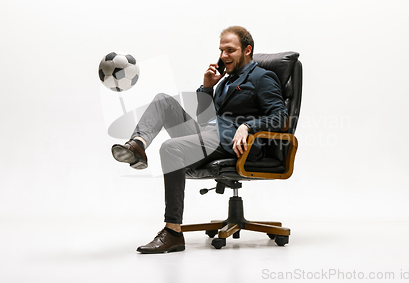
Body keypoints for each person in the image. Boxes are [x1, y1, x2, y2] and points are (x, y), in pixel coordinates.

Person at [111, 26, 288, 253]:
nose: (224, 56)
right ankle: (138, 145)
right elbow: (206, 118)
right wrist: (207, 87)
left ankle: (173, 232)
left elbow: (281, 117)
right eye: (221, 50)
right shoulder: (224, 81)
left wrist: (247, 126)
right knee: (163, 100)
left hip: (233, 142)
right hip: (209, 135)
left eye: (230, 50)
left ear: (247, 50)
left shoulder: (262, 77)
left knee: (170, 148)